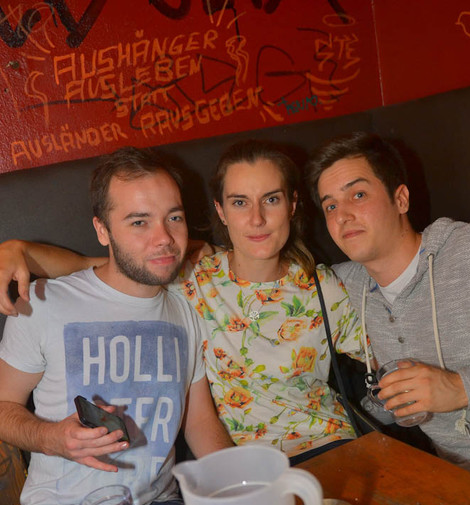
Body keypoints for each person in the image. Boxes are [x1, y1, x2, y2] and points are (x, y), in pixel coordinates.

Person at [0, 140, 366, 461]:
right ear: (221, 211)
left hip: (330, 443)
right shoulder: (191, 277)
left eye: (271, 199)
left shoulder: (324, 287)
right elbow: (96, 265)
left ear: (292, 205)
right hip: (243, 460)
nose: (257, 219)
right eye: (240, 202)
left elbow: (380, 358)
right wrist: (19, 249)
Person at [0, 147, 232, 505]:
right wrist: (51, 438)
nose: (163, 238)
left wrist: (244, 485)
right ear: (102, 230)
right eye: (139, 222)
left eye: (174, 217)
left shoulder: (186, 309)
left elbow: (200, 422)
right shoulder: (45, 301)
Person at [306, 131, 470, 481]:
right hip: (452, 469)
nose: (343, 216)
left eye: (358, 195)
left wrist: (461, 387)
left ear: (400, 199)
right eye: (331, 206)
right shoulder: (343, 285)